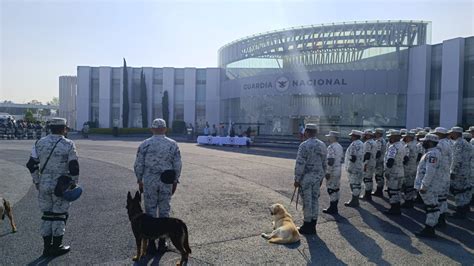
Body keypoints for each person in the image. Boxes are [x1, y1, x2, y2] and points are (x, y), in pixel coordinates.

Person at [25, 118, 79, 257]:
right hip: (61, 185)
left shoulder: (39, 143)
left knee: (47, 215)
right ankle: (57, 246)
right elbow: (73, 166)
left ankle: (46, 248)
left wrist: (37, 181)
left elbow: (31, 164)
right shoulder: (68, 144)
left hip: (44, 184)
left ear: (50, 128)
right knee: (59, 215)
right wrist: (73, 183)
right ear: (64, 129)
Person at [133, 118, 182, 253]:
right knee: (165, 210)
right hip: (166, 181)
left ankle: (151, 243)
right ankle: (163, 241)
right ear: (165, 129)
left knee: (150, 211)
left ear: (152, 129)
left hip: (150, 181)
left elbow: (138, 164)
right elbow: (177, 164)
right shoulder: (173, 144)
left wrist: (139, 179)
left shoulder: (145, 144)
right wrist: (175, 180)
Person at [294, 124, 327, 234]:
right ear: (316, 132)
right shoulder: (322, 145)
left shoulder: (304, 145)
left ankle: (307, 225)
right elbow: (324, 163)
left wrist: (297, 179)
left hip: (306, 178)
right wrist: (322, 176)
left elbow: (300, 163)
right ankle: (313, 224)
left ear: (307, 132)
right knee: (315, 200)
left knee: (307, 201)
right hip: (317, 178)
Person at [414, 133, 442, 238]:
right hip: (431, 185)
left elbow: (430, 171)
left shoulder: (432, 154)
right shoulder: (431, 152)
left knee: (431, 207)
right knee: (432, 206)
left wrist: (424, 185)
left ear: (430, 142)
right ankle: (430, 227)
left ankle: (429, 229)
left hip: (429, 186)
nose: (422, 143)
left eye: (424, 141)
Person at [447, 127, 472, 218]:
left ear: (456, 133)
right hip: (466, 170)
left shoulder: (458, 143)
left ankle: (460, 212)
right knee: (464, 190)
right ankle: (464, 208)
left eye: (452, 133)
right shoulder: (466, 143)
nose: (450, 134)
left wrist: (452, 171)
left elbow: (456, 159)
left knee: (459, 191)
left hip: (459, 171)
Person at [432, 127, 452, 226]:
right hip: (446, 174)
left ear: (439, 134)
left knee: (437, 198)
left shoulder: (439, 144)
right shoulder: (448, 143)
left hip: (439, 175)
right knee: (443, 198)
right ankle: (442, 218)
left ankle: (438, 219)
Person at [384, 129, 406, 215]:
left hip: (393, 172)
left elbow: (390, 161)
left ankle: (394, 209)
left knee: (392, 191)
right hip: (401, 170)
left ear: (394, 137)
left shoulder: (393, 147)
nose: (389, 138)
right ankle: (397, 208)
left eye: (390, 137)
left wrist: (387, 172)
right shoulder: (402, 145)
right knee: (397, 191)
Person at [322, 131, 343, 214]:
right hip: (338, 169)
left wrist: (328, 172)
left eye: (329, 137)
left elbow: (331, 161)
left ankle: (332, 208)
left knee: (331, 189)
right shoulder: (339, 146)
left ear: (333, 138)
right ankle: (335, 207)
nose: (328, 138)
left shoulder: (331, 147)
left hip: (332, 170)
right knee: (336, 188)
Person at [344, 130, 364, 207]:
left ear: (355, 136)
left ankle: (354, 201)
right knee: (358, 184)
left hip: (353, 168)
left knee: (354, 184)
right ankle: (356, 200)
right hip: (359, 166)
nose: (350, 137)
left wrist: (349, 164)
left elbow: (353, 157)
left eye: (352, 136)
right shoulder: (362, 144)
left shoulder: (354, 144)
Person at [401, 131, 418, 208]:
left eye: (406, 137)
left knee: (408, 186)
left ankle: (408, 201)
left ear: (410, 137)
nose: (405, 138)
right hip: (414, 167)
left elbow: (406, 158)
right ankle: (410, 200)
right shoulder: (417, 145)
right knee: (411, 185)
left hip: (408, 168)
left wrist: (401, 163)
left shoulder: (408, 146)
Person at [361, 129, 377, 201]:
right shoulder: (374, 142)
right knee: (369, 179)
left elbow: (367, 154)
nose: (365, 136)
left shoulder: (368, 143)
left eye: (366, 135)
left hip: (368, 163)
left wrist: (365, 164)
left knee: (367, 179)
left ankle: (367, 195)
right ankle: (368, 195)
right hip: (373, 162)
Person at [373, 128, 387, 197]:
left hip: (379, 161)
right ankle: (379, 190)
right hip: (381, 160)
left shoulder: (379, 141)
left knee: (378, 176)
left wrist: (374, 159)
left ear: (379, 134)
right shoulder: (383, 140)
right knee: (380, 176)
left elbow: (378, 152)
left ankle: (379, 191)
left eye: (376, 133)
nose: (375, 134)